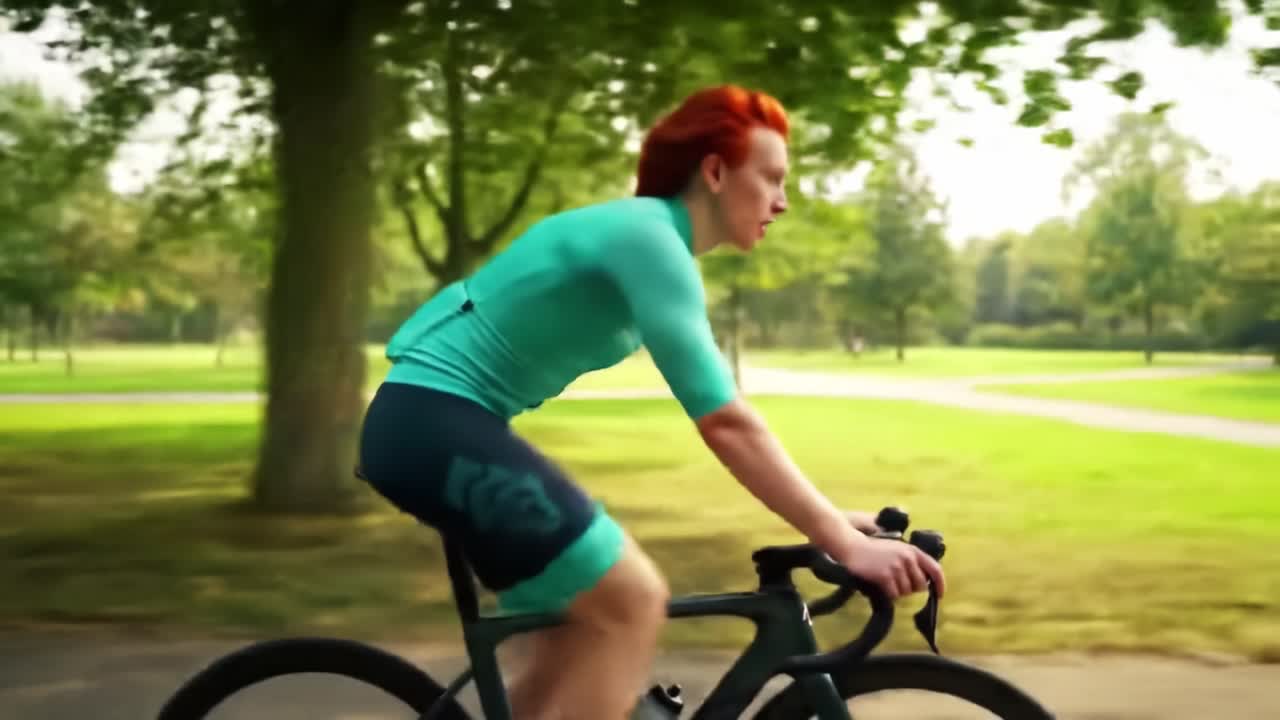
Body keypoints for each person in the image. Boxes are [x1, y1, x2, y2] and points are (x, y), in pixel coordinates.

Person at [357, 84, 946, 720]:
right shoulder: (648, 241)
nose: (783, 199)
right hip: (431, 426)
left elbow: (728, 418)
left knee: (575, 637)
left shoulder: (650, 246)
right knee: (633, 601)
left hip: (433, 428)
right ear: (715, 172)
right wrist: (841, 539)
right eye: (771, 176)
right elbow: (725, 422)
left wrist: (829, 518)